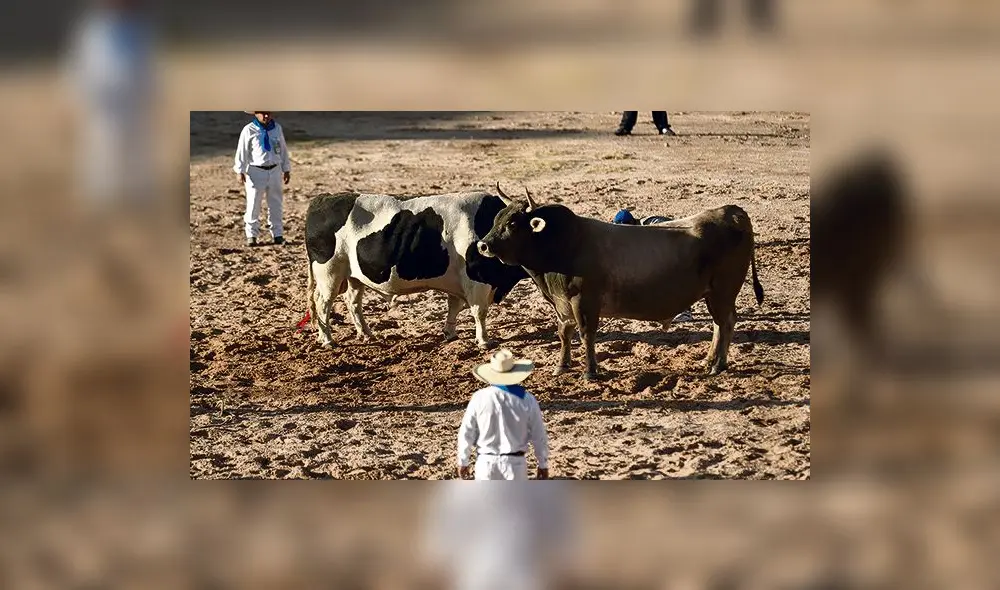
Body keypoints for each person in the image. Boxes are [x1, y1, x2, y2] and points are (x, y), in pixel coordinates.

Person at [457, 349, 550, 480]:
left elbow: (467, 431)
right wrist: (543, 463)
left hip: (486, 462)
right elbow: (538, 434)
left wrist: (463, 461)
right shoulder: (527, 399)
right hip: (515, 464)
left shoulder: (480, 397)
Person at [612, 209, 694, 323]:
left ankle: (684, 311)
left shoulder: (651, 223)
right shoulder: (633, 235)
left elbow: (674, 236)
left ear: (632, 223)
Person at [233, 111, 291, 247]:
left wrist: (286, 168)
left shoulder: (277, 128)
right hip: (255, 170)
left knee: (276, 202)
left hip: (275, 169)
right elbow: (242, 150)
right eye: (263, 113)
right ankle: (251, 234)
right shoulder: (248, 130)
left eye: (268, 113)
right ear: (256, 114)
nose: (266, 116)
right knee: (253, 202)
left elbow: (283, 149)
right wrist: (240, 170)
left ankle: (277, 234)